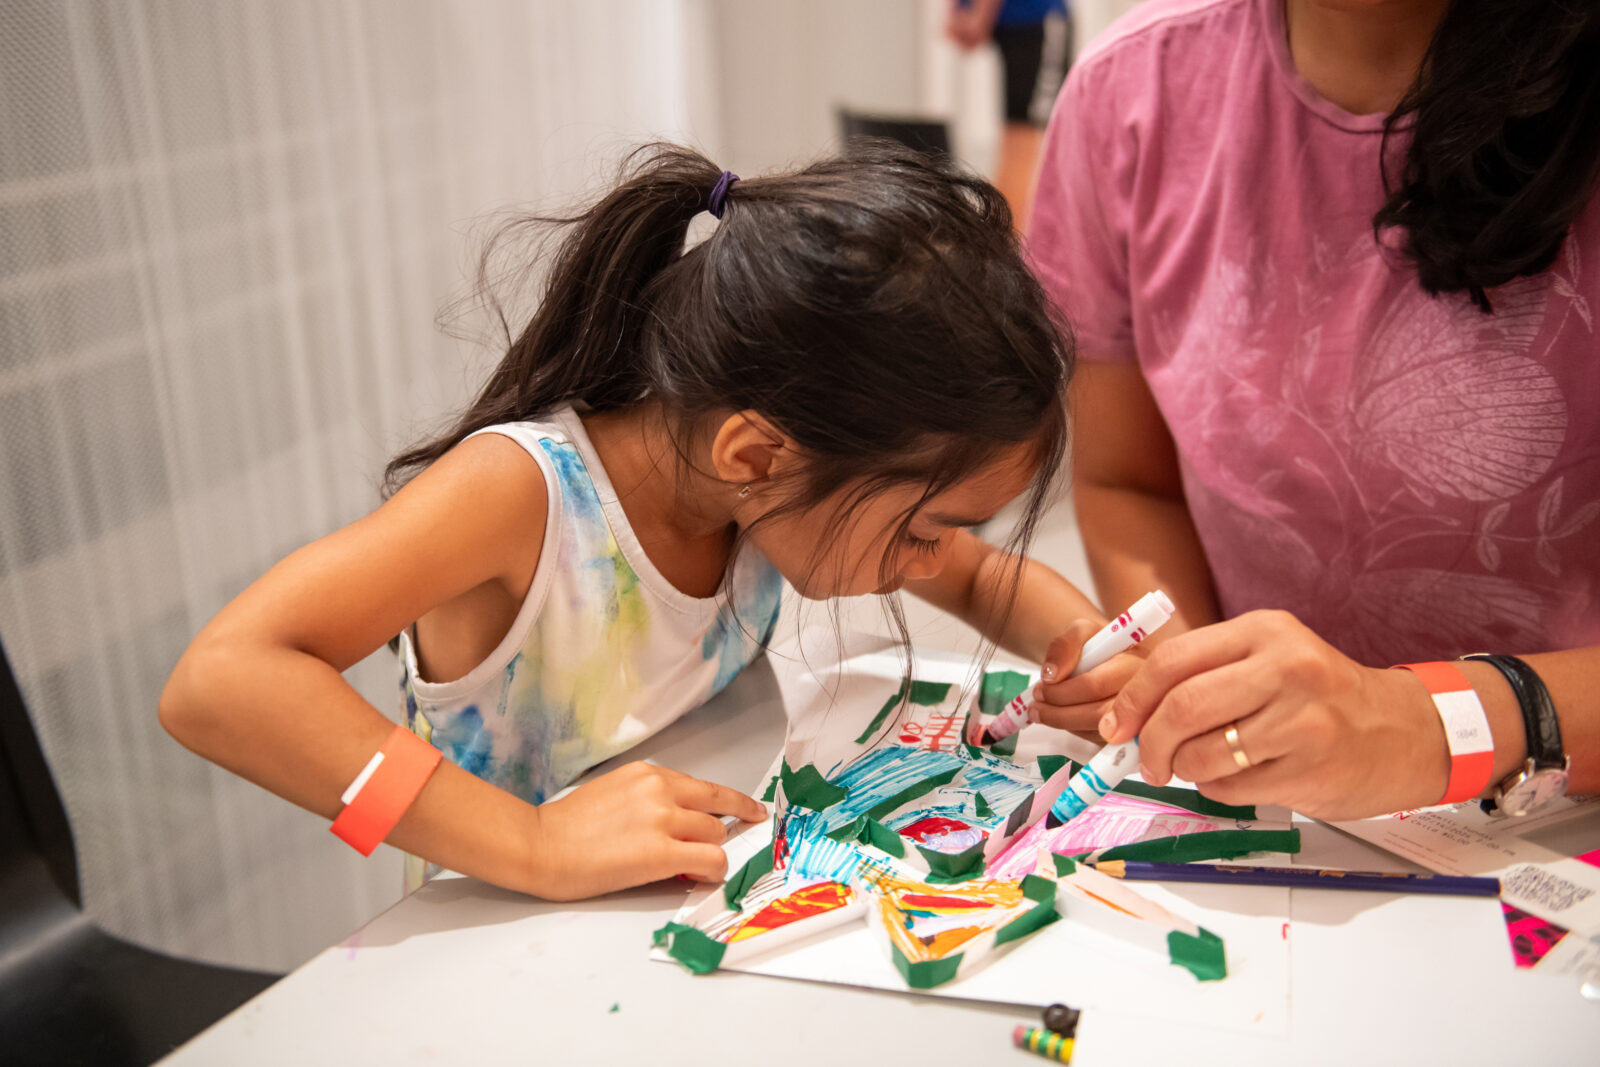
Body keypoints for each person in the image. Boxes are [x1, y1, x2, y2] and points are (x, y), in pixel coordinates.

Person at [159, 142, 1106, 901]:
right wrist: (530, 843)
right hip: (508, 947)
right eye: (924, 527)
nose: (935, 557)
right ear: (759, 453)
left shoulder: (759, 490)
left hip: (679, 910)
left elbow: (982, 578)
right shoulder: (522, 497)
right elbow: (217, 683)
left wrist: (1087, 648)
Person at [1024, 0, 1600, 820]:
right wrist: (1193, 687)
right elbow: (1128, 482)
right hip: (1283, 818)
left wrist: (1421, 725)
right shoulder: (1130, 95)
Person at [945, 0, 1073, 231]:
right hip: (1022, 18)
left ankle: (1007, 238)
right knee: (1022, 131)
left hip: (1027, 17)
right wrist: (969, 12)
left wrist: (970, 11)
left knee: (1024, 131)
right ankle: (1007, 239)